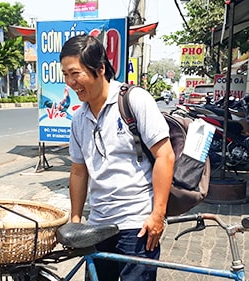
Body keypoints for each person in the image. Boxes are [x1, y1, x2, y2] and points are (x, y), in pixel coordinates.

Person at [59, 35, 175, 280]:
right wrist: (77, 218)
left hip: (137, 225)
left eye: (75, 73)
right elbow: (79, 171)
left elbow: (165, 155)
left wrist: (158, 215)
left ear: (100, 68)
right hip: (98, 225)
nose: (70, 82)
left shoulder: (134, 100)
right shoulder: (79, 119)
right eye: (65, 75)